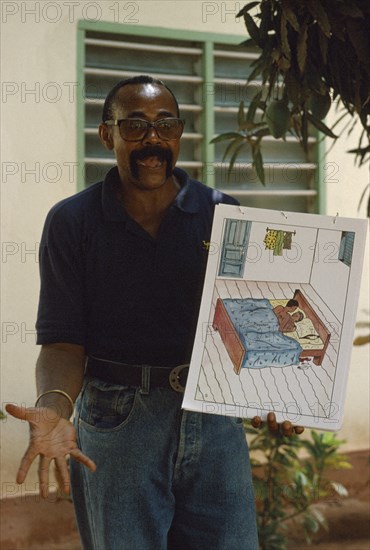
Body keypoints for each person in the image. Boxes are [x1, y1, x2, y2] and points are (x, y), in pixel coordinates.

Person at [6, 75, 302, 550]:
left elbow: (252, 321)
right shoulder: (72, 221)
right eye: (135, 126)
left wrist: (280, 391)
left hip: (213, 418)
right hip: (118, 422)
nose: (153, 138)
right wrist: (54, 407)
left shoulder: (224, 213)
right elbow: (62, 341)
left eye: (166, 125)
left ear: (179, 133)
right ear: (107, 135)